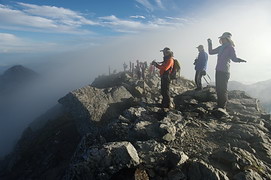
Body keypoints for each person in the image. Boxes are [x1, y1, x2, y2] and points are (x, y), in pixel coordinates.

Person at [208, 32, 246, 109]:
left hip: (225, 71)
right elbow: (211, 52)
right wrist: (210, 43)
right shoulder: (221, 47)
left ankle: (222, 107)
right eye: (221, 38)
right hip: (218, 70)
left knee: (222, 89)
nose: (221, 39)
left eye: (223, 38)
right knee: (218, 88)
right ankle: (219, 105)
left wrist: (240, 60)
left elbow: (234, 59)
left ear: (227, 39)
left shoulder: (230, 48)